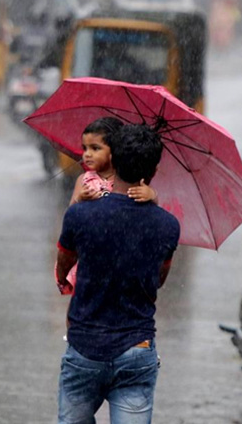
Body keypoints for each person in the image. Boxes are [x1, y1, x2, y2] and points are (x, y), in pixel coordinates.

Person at [55, 123, 180, 424]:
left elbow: (64, 262)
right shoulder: (167, 225)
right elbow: (158, 281)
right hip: (136, 349)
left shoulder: (80, 214)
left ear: (114, 159)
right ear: (152, 171)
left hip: (85, 346)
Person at [55, 117, 157, 297]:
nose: (87, 154)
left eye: (95, 148)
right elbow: (71, 216)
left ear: (115, 151)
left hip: (119, 251)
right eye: (85, 148)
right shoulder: (84, 180)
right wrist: (79, 199)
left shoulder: (128, 180)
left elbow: (148, 211)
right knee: (81, 298)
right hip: (91, 250)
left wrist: (152, 195)